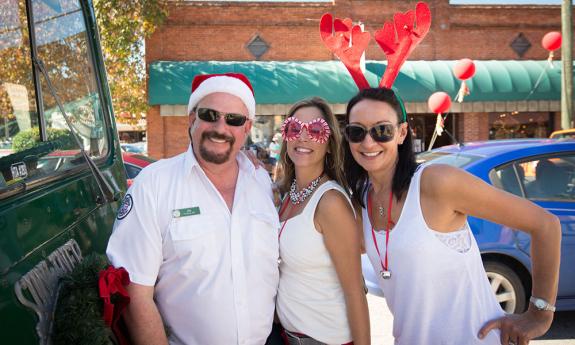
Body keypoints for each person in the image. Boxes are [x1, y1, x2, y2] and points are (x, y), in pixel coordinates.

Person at [343, 87, 561, 345]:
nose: (368, 142)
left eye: (382, 131)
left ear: (401, 133)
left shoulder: (437, 182)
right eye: (356, 132)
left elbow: (546, 225)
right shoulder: (360, 201)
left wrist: (539, 314)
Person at [106, 73, 280, 345]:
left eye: (233, 119)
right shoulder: (153, 185)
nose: (220, 128)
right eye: (210, 114)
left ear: (246, 128)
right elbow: (135, 293)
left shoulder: (261, 184)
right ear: (191, 119)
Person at [275, 97, 370, 345]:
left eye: (316, 130)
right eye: (294, 128)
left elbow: (355, 292)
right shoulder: (287, 195)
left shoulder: (330, 203)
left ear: (329, 144)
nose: (303, 137)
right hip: (288, 337)